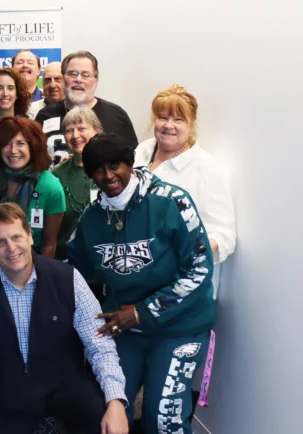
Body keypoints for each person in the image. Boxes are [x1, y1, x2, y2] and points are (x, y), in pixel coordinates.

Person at [67, 133, 215, 434]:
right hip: (122, 329)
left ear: (129, 163)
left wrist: (141, 312)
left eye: (115, 166)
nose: (108, 176)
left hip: (179, 327)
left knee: (163, 417)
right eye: (98, 170)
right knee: (105, 411)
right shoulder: (91, 217)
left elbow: (199, 270)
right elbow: (73, 272)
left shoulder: (173, 201)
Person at [0, 203, 129, 434]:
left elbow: (100, 345)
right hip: (4, 399)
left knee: (98, 413)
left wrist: (115, 401)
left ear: (29, 236)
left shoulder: (68, 279)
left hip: (66, 390)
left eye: (16, 237)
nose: (11, 248)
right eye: (0, 242)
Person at [134, 84, 236, 290]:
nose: (168, 125)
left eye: (178, 119)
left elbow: (224, 235)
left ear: (191, 124)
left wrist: (183, 251)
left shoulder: (208, 170)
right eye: (162, 117)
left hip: (183, 285)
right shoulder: (143, 150)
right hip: (138, 275)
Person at [0, 117, 66, 257]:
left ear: (33, 146)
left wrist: (39, 275)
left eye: (21, 143)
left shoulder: (51, 186)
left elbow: (49, 244)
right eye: (6, 144)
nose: (13, 150)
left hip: (33, 258)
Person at [35, 51, 137, 165]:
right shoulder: (45, 115)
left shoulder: (116, 116)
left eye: (85, 75)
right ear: (63, 78)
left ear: (96, 80)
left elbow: (131, 162)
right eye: (72, 73)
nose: (78, 79)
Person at [51, 106, 103, 260]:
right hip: (67, 260)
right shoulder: (57, 175)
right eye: (69, 130)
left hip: (104, 261)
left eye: (81, 128)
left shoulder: (110, 171)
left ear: (97, 131)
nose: (75, 135)